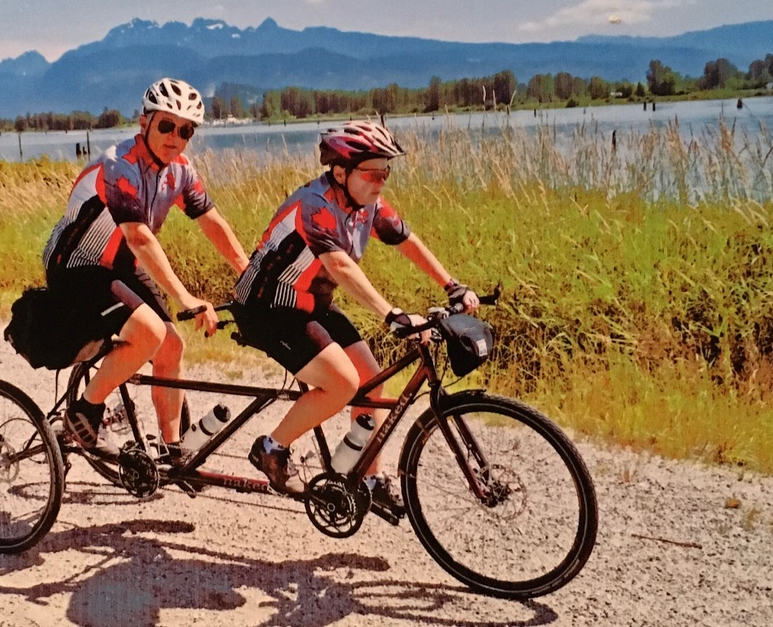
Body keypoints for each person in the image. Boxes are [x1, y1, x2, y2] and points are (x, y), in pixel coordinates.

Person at [232, 121, 479, 511]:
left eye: (386, 171)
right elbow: (341, 267)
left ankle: (369, 478)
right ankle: (271, 448)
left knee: (371, 380)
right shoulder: (314, 206)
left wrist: (452, 284)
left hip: (311, 304)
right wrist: (391, 314)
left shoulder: (368, 206)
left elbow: (407, 241)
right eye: (373, 172)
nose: (381, 181)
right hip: (267, 308)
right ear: (341, 172)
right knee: (342, 383)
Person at [45, 78, 249, 460]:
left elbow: (211, 221)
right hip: (75, 265)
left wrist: (248, 271)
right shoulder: (118, 164)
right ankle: (85, 411)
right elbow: (139, 238)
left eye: (185, 130)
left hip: (119, 265)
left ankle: (173, 450)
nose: (175, 137)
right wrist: (185, 298)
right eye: (166, 126)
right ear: (144, 124)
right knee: (150, 332)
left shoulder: (180, 170)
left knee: (171, 345)